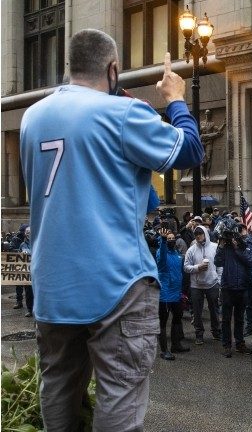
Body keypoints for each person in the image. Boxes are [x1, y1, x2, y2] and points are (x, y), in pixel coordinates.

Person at [20, 29, 203, 431]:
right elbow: (190, 150)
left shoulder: (32, 117)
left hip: (52, 283)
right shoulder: (122, 113)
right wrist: (175, 99)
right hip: (115, 283)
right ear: (113, 68)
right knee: (119, 393)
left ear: (70, 67)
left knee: (58, 389)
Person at [214, 227, 252, 358]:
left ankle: (240, 343)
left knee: (239, 318)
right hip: (228, 288)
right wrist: (221, 246)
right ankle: (226, 345)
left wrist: (237, 248)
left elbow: (251, 262)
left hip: (243, 287)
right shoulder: (225, 248)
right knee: (226, 319)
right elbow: (217, 262)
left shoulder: (245, 246)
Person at [155, 228, 190, 360]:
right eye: (168, 239)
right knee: (163, 321)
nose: (171, 240)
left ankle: (176, 344)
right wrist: (163, 241)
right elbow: (163, 257)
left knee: (177, 318)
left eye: (172, 239)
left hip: (176, 292)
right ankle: (164, 350)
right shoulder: (161, 253)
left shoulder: (177, 254)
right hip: (164, 293)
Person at [184, 225, 221, 344]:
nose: (198, 236)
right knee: (197, 311)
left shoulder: (215, 247)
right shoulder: (191, 250)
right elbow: (185, 267)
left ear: (205, 234)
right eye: (196, 234)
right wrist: (197, 267)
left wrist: (219, 280)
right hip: (196, 285)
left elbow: (220, 265)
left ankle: (216, 331)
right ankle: (199, 334)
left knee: (214, 309)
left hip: (212, 283)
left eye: (200, 233)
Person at [18, 226, 34, 317]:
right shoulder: (22, 245)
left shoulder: (37, 243)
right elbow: (18, 258)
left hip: (36, 272)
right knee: (28, 292)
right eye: (27, 232)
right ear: (25, 234)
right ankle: (30, 310)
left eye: (30, 232)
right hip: (27, 273)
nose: (28, 234)